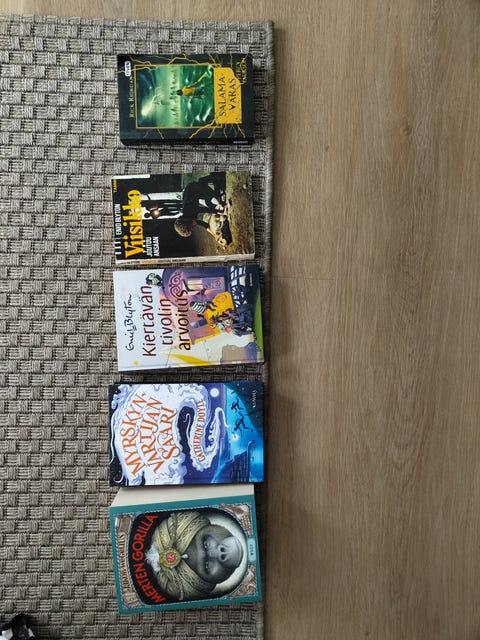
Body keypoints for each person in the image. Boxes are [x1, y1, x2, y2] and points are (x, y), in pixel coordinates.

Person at [145, 510, 245, 601]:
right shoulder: (181, 525)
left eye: (223, 558)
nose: (216, 553)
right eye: (222, 549)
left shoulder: (183, 589)